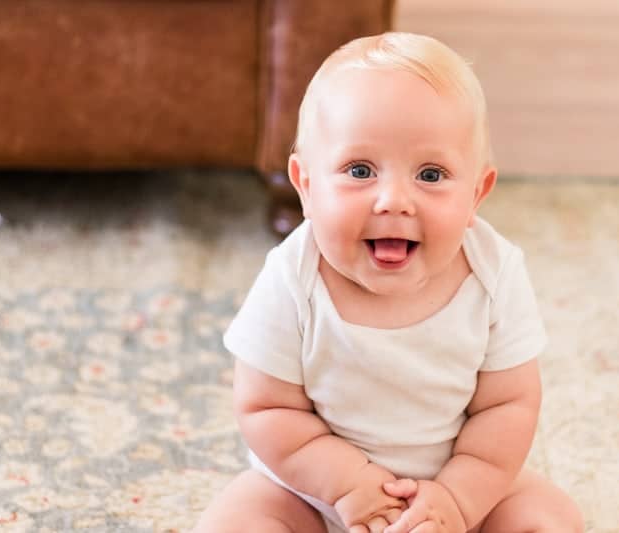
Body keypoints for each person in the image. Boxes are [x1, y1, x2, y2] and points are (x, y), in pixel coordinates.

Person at [194, 31, 583, 533]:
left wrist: (459, 500)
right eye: (360, 170)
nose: (394, 200)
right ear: (306, 186)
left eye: (431, 174)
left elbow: (507, 406)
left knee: (545, 517)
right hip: (310, 493)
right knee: (238, 521)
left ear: (477, 194)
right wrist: (346, 484)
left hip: (454, 486)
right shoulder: (293, 276)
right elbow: (266, 406)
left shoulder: (493, 274)